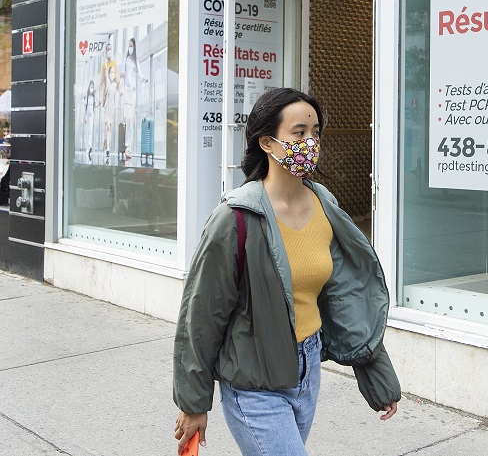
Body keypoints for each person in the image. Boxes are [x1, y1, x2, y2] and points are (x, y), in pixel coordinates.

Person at [173, 88, 401, 455]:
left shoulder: (324, 204)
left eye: (315, 133)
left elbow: (345, 297)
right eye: (299, 133)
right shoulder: (235, 218)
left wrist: (376, 374)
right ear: (267, 142)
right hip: (253, 380)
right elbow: (201, 316)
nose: (310, 142)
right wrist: (193, 401)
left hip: (307, 371)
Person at [119, 37, 148, 160]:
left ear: (134, 47)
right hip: (126, 91)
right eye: (129, 45)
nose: (130, 48)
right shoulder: (126, 61)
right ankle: (125, 146)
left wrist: (144, 78)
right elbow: (122, 74)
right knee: (126, 118)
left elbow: (139, 73)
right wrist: (121, 77)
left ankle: (127, 147)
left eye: (132, 46)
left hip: (133, 92)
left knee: (131, 120)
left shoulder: (136, 61)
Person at [98, 40, 118, 160]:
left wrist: (119, 77)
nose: (110, 51)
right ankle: (107, 149)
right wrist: (100, 96)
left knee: (109, 126)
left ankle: (106, 140)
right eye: (108, 49)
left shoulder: (114, 65)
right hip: (106, 101)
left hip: (113, 104)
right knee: (108, 126)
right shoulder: (104, 66)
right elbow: (103, 78)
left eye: (111, 49)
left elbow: (116, 80)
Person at [83, 80, 97, 161]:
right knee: (87, 132)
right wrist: (84, 116)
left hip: (92, 115)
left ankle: (89, 146)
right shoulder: (87, 97)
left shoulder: (94, 97)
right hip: (87, 115)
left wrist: (99, 103)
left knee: (91, 131)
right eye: (90, 87)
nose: (91, 88)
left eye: (92, 87)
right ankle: (87, 147)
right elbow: (84, 107)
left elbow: (95, 106)